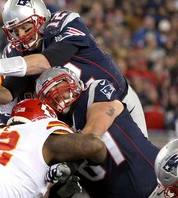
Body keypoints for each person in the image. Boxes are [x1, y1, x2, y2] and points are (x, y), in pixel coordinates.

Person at [0, 0, 148, 137]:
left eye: (26, 27)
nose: (22, 35)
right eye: (15, 31)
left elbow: (45, 62)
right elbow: (8, 93)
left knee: (142, 161)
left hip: (117, 98)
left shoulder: (64, 23)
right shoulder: (16, 52)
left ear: (41, 19)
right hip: (76, 115)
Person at [35, 66, 161, 198]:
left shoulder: (94, 91)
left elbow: (93, 134)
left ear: (72, 81)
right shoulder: (56, 132)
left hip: (154, 183)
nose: (56, 95)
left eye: (58, 86)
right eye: (48, 94)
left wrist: (69, 164)